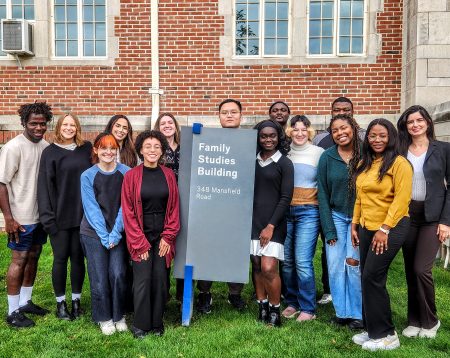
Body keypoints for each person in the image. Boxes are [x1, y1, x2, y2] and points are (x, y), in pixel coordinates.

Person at [351, 119, 412, 351]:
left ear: (391, 137)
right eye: (372, 136)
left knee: (372, 277)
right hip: (367, 227)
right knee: (366, 277)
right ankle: (372, 329)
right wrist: (354, 224)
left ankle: (387, 334)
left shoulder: (400, 164)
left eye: (382, 135)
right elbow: (360, 196)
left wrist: (385, 229)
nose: (377, 140)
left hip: (391, 228)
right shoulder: (365, 163)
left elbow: (402, 199)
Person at [397, 105, 450, 339]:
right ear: (405, 126)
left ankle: (431, 320)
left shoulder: (444, 149)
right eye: (410, 122)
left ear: (428, 122)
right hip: (407, 215)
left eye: (419, 120)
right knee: (410, 270)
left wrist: (446, 221)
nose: (415, 125)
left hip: (432, 217)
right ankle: (414, 319)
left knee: (421, 269)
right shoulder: (400, 149)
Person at [121, 130, 180, 338]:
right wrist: (139, 243)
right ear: (140, 150)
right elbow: (128, 212)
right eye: (148, 146)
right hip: (141, 235)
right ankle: (140, 324)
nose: (152, 150)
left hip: (162, 235)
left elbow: (174, 208)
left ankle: (156, 322)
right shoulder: (131, 176)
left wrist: (168, 236)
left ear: (162, 150)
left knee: (160, 279)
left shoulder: (169, 175)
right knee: (143, 279)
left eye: (156, 146)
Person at [0, 102, 52, 328]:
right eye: (33, 123)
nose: (39, 127)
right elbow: (1, 184)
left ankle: (25, 301)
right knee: (19, 260)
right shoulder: (13, 147)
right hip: (20, 218)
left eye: (42, 123)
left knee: (34, 256)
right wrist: (9, 218)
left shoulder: (46, 146)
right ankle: (12, 312)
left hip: (39, 216)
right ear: (24, 123)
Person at [37, 113, 92, 320]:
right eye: (65, 124)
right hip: (58, 218)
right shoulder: (49, 153)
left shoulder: (86, 149)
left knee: (78, 259)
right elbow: (44, 187)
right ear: (59, 128)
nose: (69, 128)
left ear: (77, 128)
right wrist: (47, 219)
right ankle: (61, 304)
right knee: (60, 259)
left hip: (82, 217)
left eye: (73, 125)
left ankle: (76, 301)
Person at [196, 99, 247, 313]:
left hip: (238, 204)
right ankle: (204, 293)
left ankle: (234, 294)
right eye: (224, 112)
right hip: (211, 204)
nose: (229, 115)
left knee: (235, 249)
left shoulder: (248, 141)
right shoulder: (208, 140)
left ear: (240, 116)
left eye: (233, 112)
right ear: (218, 116)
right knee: (208, 250)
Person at [313, 96, 361, 305]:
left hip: (360, 219)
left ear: (353, 128)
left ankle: (358, 311)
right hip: (336, 217)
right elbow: (322, 194)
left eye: (344, 128)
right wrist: (329, 229)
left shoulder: (366, 153)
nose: (340, 133)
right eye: (335, 130)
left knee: (354, 263)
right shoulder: (327, 157)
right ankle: (342, 311)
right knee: (334, 265)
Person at [80, 133, 130, 335]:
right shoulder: (87, 176)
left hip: (117, 232)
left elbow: (126, 206)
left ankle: (119, 315)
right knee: (99, 277)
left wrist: (115, 233)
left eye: (112, 148)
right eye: (103, 148)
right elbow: (91, 208)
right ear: (96, 150)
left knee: (118, 274)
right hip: (93, 233)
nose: (108, 152)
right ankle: (104, 317)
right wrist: (104, 235)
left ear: (117, 150)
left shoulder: (127, 173)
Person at [251, 119, 294, 327]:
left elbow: (286, 198)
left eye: (272, 135)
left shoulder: (284, 163)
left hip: (273, 222)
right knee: (257, 265)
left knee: (269, 267)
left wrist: (270, 226)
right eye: (263, 136)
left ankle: (275, 310)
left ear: (279, 137)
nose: (268, 139)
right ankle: (262, 306)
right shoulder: (252, 159)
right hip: (252, 220)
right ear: (258, 138)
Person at [281, 115, 323, 322]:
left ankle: (308, 307)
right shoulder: (284, 152)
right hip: (285, 211)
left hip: (308, 211)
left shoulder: (318, 153)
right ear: (289, 131)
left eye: (303, 129)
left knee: (303, 260)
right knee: (287, 261)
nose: (299, 133)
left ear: (309, 131)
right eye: (295, 129)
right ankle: (292, 302)